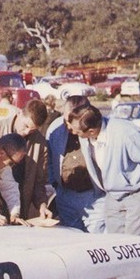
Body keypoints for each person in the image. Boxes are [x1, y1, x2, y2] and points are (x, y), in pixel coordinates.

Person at [67, 105, 140, 235]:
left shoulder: (127, 132)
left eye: (77, 131)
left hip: (139, 195)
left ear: (91, 131)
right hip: (113, 197)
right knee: (115, 245)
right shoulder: (86, 138)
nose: (73, 133)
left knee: (136, 248)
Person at [0, 99, 52, 221]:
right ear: (19, 113)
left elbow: (39, 182)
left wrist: (42, 205)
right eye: (26, 126)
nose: (27, 132)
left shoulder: (40, 143)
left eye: (33, 130)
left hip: (20, 207)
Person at [46, 96, 105, 233]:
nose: (69, 125)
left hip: (94, 196)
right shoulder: (55, 128)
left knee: (97, 238)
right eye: (66, 119)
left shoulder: (94, 128)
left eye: (72, 120)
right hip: (65, 195)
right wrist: (55, 184)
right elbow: (49, 158)